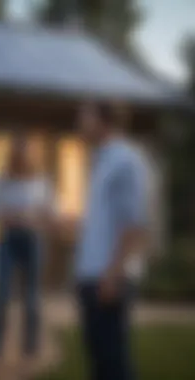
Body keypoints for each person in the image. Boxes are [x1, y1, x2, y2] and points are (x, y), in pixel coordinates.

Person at [74, 102, 149, 380]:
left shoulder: (125, 160)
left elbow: (133, 223)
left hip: (108, 278)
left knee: (114, 365)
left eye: (84, 115)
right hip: (91, 277)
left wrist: (113, 274)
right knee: (101, 366)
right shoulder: (100, 159)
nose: (79, 122)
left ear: (102, 121)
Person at [0, 136, 54, 377]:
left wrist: (28, 217)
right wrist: (19, 216)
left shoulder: (42, 181)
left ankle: (30, 350)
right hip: (8, 240)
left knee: (32, 296)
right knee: (0, 294)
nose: (22, 157)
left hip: (33, 240)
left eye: (26, 152)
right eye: (18, 152)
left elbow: (47, 214)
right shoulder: (2, 181)